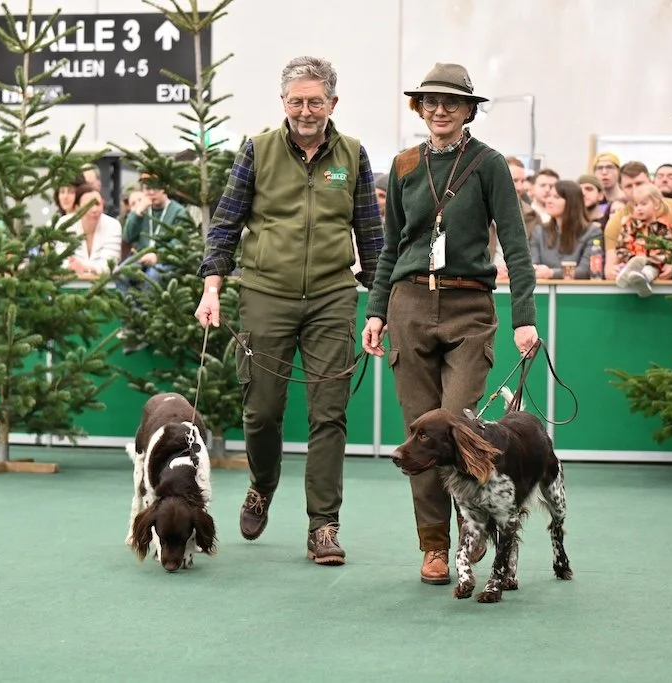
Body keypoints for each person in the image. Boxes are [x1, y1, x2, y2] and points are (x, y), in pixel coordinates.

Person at [194, 55, 383, 566]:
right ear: (283, 103)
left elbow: (371, 236)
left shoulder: (354, 155)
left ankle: (324, 525)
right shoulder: (256, 150)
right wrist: (212, 287)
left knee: (329, 415)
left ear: (332, 104)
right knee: (261, 412)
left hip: (331, 297)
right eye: (296, 101)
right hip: (265, 295)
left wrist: (378, 307)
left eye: (315, 101)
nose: (305, 110)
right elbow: (226, 225)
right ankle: (262, 485)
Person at [360, 63, 539, 586]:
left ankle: (473, 527)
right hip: (408, 305)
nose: (439, 110)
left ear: (469, 110)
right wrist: (375, 310)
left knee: (459, 427)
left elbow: (516, 245)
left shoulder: (489, 165)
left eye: (451, 103)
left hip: (470, 308)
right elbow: (390, 246)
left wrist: (523, 318)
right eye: (430, 102)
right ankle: (435, 546)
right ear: (420, 108)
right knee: (421, 437)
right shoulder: (404, 164)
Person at [530, 179, 604, 279]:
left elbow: (586, 270)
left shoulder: (592, 233)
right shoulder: (539, 231)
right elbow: (533, 265)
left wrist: (551, 273)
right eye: (548, 196)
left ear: (571, 202)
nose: (548, 201)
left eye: (556, 197)